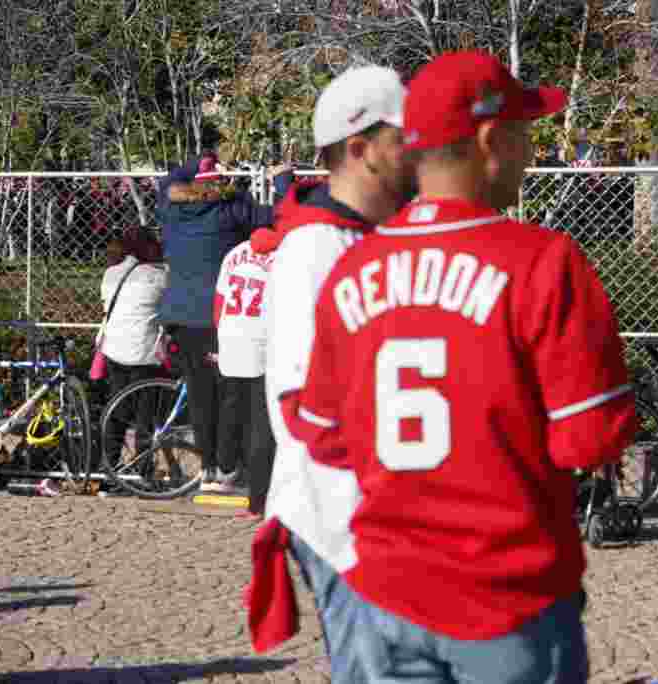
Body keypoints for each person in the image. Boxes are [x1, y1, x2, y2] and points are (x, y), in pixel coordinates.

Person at [286, 50, 639, 683]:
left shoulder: (353, 269)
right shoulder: (542, 261)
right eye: (525, 132)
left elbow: (322, 434)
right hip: (507, 593)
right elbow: (594, 437)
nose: (532, 150)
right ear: (488, 139)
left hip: (386, 594)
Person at [243, 65, 416, 674]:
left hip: (381, 519)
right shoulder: (316, 249)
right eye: (404, 137)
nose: (417, 149)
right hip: (344, 520)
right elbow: (301, 405)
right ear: (359, 149)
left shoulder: (371, 239)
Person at [155, 153, 291, 490]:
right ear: (220, 182)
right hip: (218, 315)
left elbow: (167, 182)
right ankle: (229, 466)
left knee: (200, 394)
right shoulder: (232, 209)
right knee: (230, 392)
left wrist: (198, 161)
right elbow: (277, 216)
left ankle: (209, 466)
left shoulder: (171, 209)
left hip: (180, 316)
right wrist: (282, 181)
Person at [211, 236, 276, 515]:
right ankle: (259, 497)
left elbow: (219, 302)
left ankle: (226, 469)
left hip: (231, 334)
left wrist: (221, 336)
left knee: (231, 407)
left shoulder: (233, 253)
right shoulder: (284, 255)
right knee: (262, 423)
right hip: (264, 340)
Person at [99, 236, 168, 468]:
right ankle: (143, 468)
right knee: (145, 414)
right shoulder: (159, 276)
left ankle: (108, 465)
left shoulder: (111, 274)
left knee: (118, 407)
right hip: (144, 353)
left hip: (115, 349)